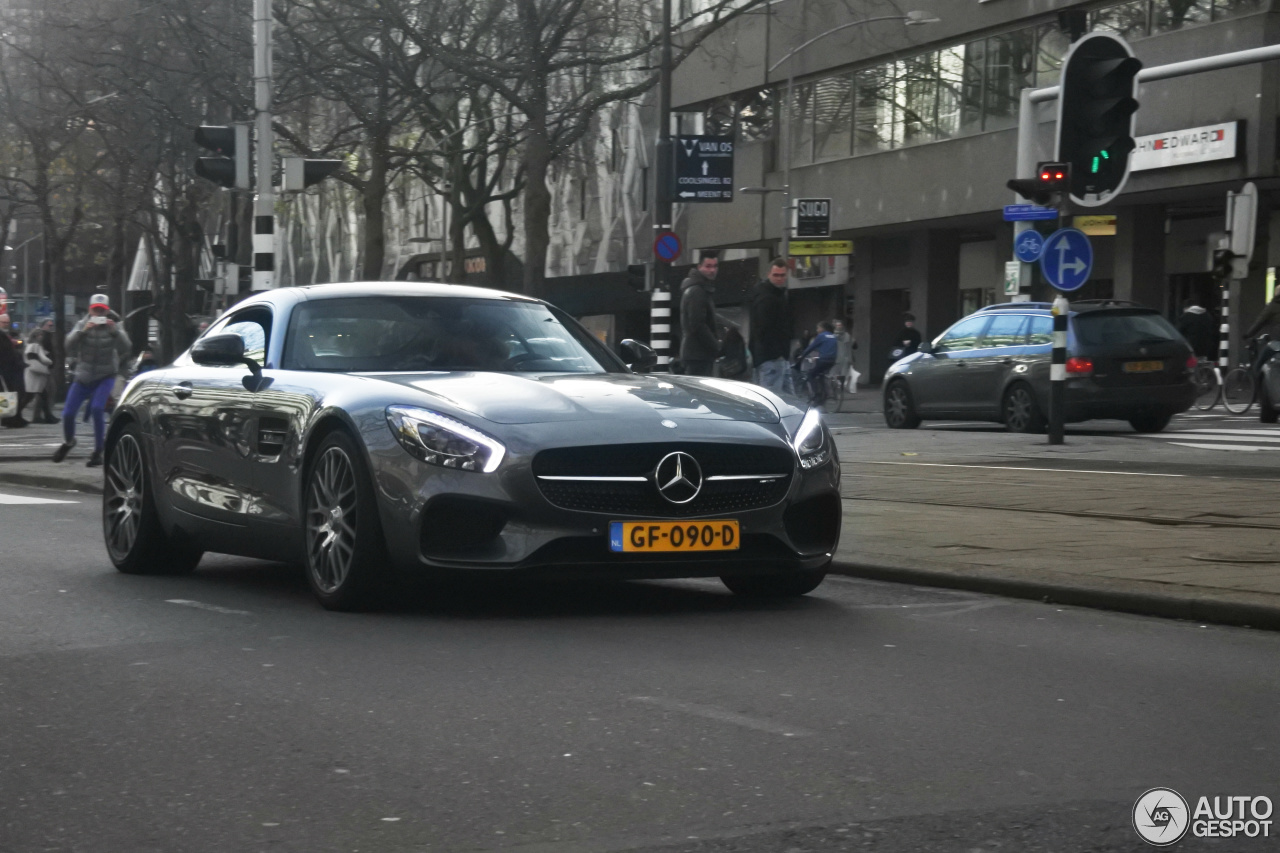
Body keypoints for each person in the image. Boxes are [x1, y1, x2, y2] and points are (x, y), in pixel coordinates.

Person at [55, 294, 130, 467]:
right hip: (83, 376)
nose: (98, 314)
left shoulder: (115, 325)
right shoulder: (82, 324)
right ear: (90, 310)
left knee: (97, 409)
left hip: (105, 376)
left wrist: (116, 332)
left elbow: (127, 346)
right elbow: (67, 345)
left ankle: (98, 451)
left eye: (102, 310)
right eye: (95, 310)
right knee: (67, 413)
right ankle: (69, 442)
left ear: (107, 311)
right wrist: (82, 332)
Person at [749, 258, 794, 395]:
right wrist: (778, 351)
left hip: (773, 357)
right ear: (769, 274)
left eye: (782, 275)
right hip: (772, 357)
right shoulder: (767, 297)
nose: (779, 278)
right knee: (776, 402)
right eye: (776, 275)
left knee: (788, 402)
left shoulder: (771, 295)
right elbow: (763, 328)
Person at [679, 250, 720, 377]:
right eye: (708, 266)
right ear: (699, 267)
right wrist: (716, 346)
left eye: (714, 266)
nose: (712, 270)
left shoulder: (696, 289)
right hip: (698, 355)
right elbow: (697, 325)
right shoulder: (698, 291)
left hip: (695, 354)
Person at [795, 320, 839, 407]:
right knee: (821, 374)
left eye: (818, 328)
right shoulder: (833, 336)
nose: (817, 330)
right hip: (832, 360)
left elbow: (811, 347)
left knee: (811, 375)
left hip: (823, 360)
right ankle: (825, 393)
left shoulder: (821, 336)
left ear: (822, 328)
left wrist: (802, 355)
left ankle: (817, 395)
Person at [22, 327, 56, 423]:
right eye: (40, 335)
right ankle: (17, 413)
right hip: (35, 374)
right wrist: (50, 361)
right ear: (36, 336)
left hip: (33, 373)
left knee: (41, 395)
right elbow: (43, 358)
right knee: (30, 396)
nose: (41, 337)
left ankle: (48, 416)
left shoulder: (30, 345)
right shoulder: (35, 346)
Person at [0, 311, 27, 428]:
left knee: (10, 394)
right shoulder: (3, 335)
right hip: (6, 368)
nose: (6, 324)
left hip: (11, 368)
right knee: (7, 394)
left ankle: (11, 417)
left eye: (7, 322)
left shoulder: (8, 334)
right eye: (3, 322)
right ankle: (10, 418)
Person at [833, 319, 855, 386]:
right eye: (837, 325)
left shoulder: (847, 336)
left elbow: (849, 348)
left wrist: (850, 359)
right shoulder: (833, 336)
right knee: (835, 374)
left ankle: (841, 385)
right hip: (836, 357)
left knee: (843, 374)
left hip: (845, 358)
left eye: (840, 325)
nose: (838, 326)